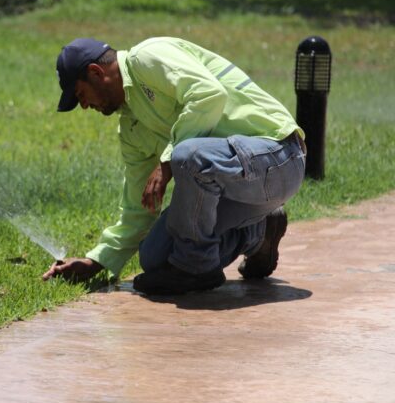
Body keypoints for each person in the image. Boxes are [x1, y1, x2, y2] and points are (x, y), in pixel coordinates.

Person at [42, 37, 306, 295]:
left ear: (96, 72)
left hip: (279, 157)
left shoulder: (147, 57)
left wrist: (166, 162)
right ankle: (259, 232)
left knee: (188, 157)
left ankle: (197, 270)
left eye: (81, 95)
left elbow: (209, 95)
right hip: (240, 190)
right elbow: (139, 207)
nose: (85, 106)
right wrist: (96, 261)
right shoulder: (131, 129)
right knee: (155, 256)